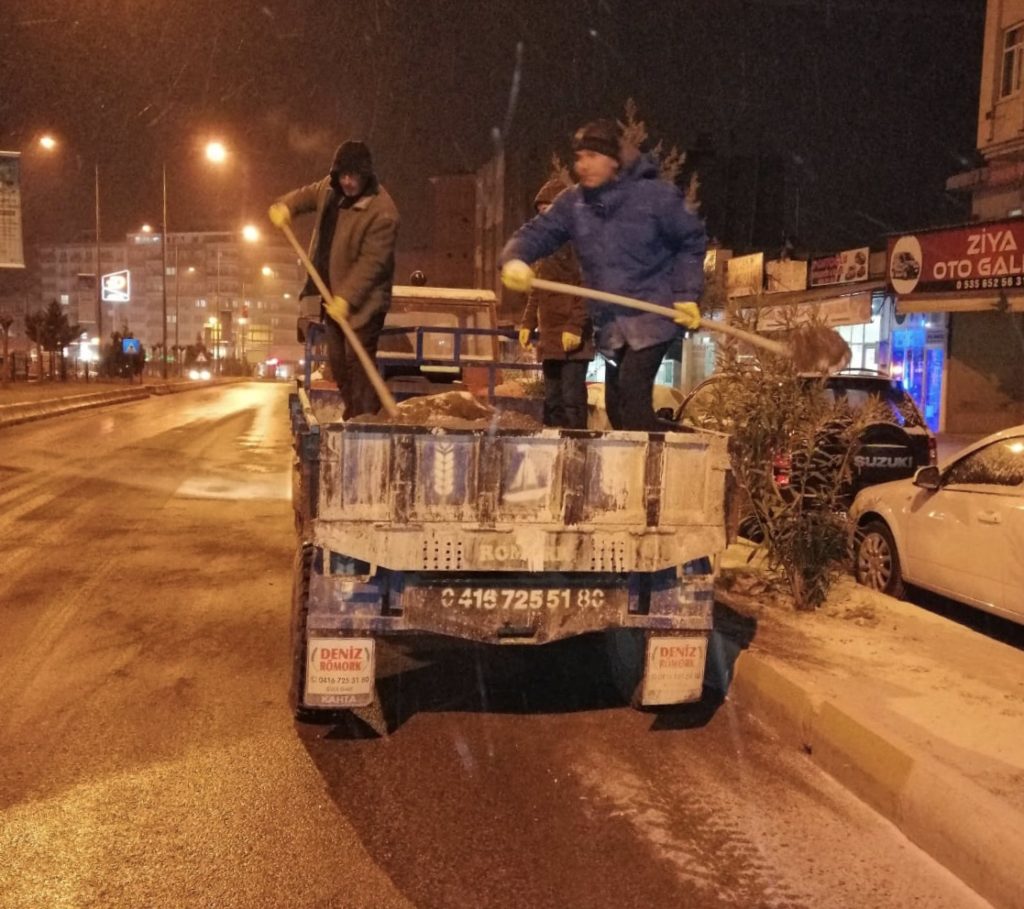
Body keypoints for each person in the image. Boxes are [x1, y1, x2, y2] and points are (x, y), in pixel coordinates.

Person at [500, 119, 706, 432]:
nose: (583, 165)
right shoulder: (574, 204)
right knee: (617, 408)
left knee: (632, 396)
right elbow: (538, 232)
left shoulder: (655, 198)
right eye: (579, 157)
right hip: (611, 324)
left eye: (593, 156)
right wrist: (515, 257)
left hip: (654, 313)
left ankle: (672, 456)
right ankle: (676, 445)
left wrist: (686, 294)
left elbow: (690, 241)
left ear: (614, 160)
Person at [269, 140, 399, 419]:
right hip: (332, 294)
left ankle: (365, 418)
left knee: (357, 360)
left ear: (366, 175)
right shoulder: (329, 190)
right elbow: (305, 196)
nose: (348, 182)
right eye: (343, 175)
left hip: (365, 301)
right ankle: (355, 411)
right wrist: (286, 207)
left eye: (354, 176)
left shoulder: (382, 212)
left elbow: (372, 264)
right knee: (337, 362)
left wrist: (347, 298)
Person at [517, 178, 594, 429]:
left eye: (547, 210)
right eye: (541, 212)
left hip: (573, 341)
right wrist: (527, 322)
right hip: (550, 337)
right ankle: (554, 444)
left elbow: (588, 288)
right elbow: (538, 288)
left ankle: (577, 444)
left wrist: (575, 326)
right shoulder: (547, 245)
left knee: (572, 399)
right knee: (552, 400)